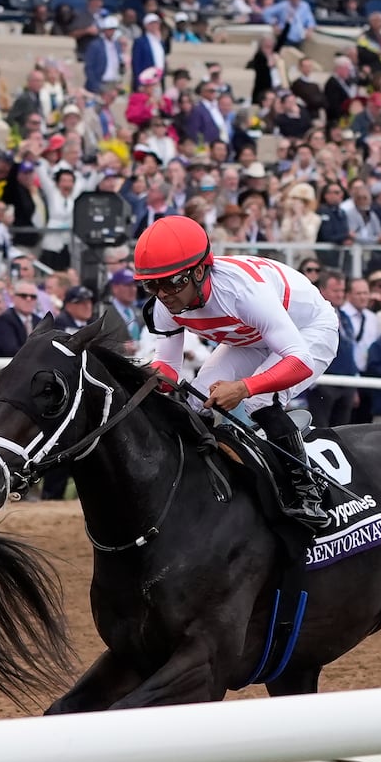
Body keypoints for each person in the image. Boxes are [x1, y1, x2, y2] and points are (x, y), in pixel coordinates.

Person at [137, 214, 338, 528]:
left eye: (173, 281)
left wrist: (244, 388)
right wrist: (143, 382)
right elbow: (168, 370)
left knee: (260, 401)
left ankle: (307, 492)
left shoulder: (242, 293)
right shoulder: (164, 307)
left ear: (200, 270)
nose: (163, 294)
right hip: (250, 337)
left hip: (308, 330)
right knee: (195, 402)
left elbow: (300, 361)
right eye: (152, 284)